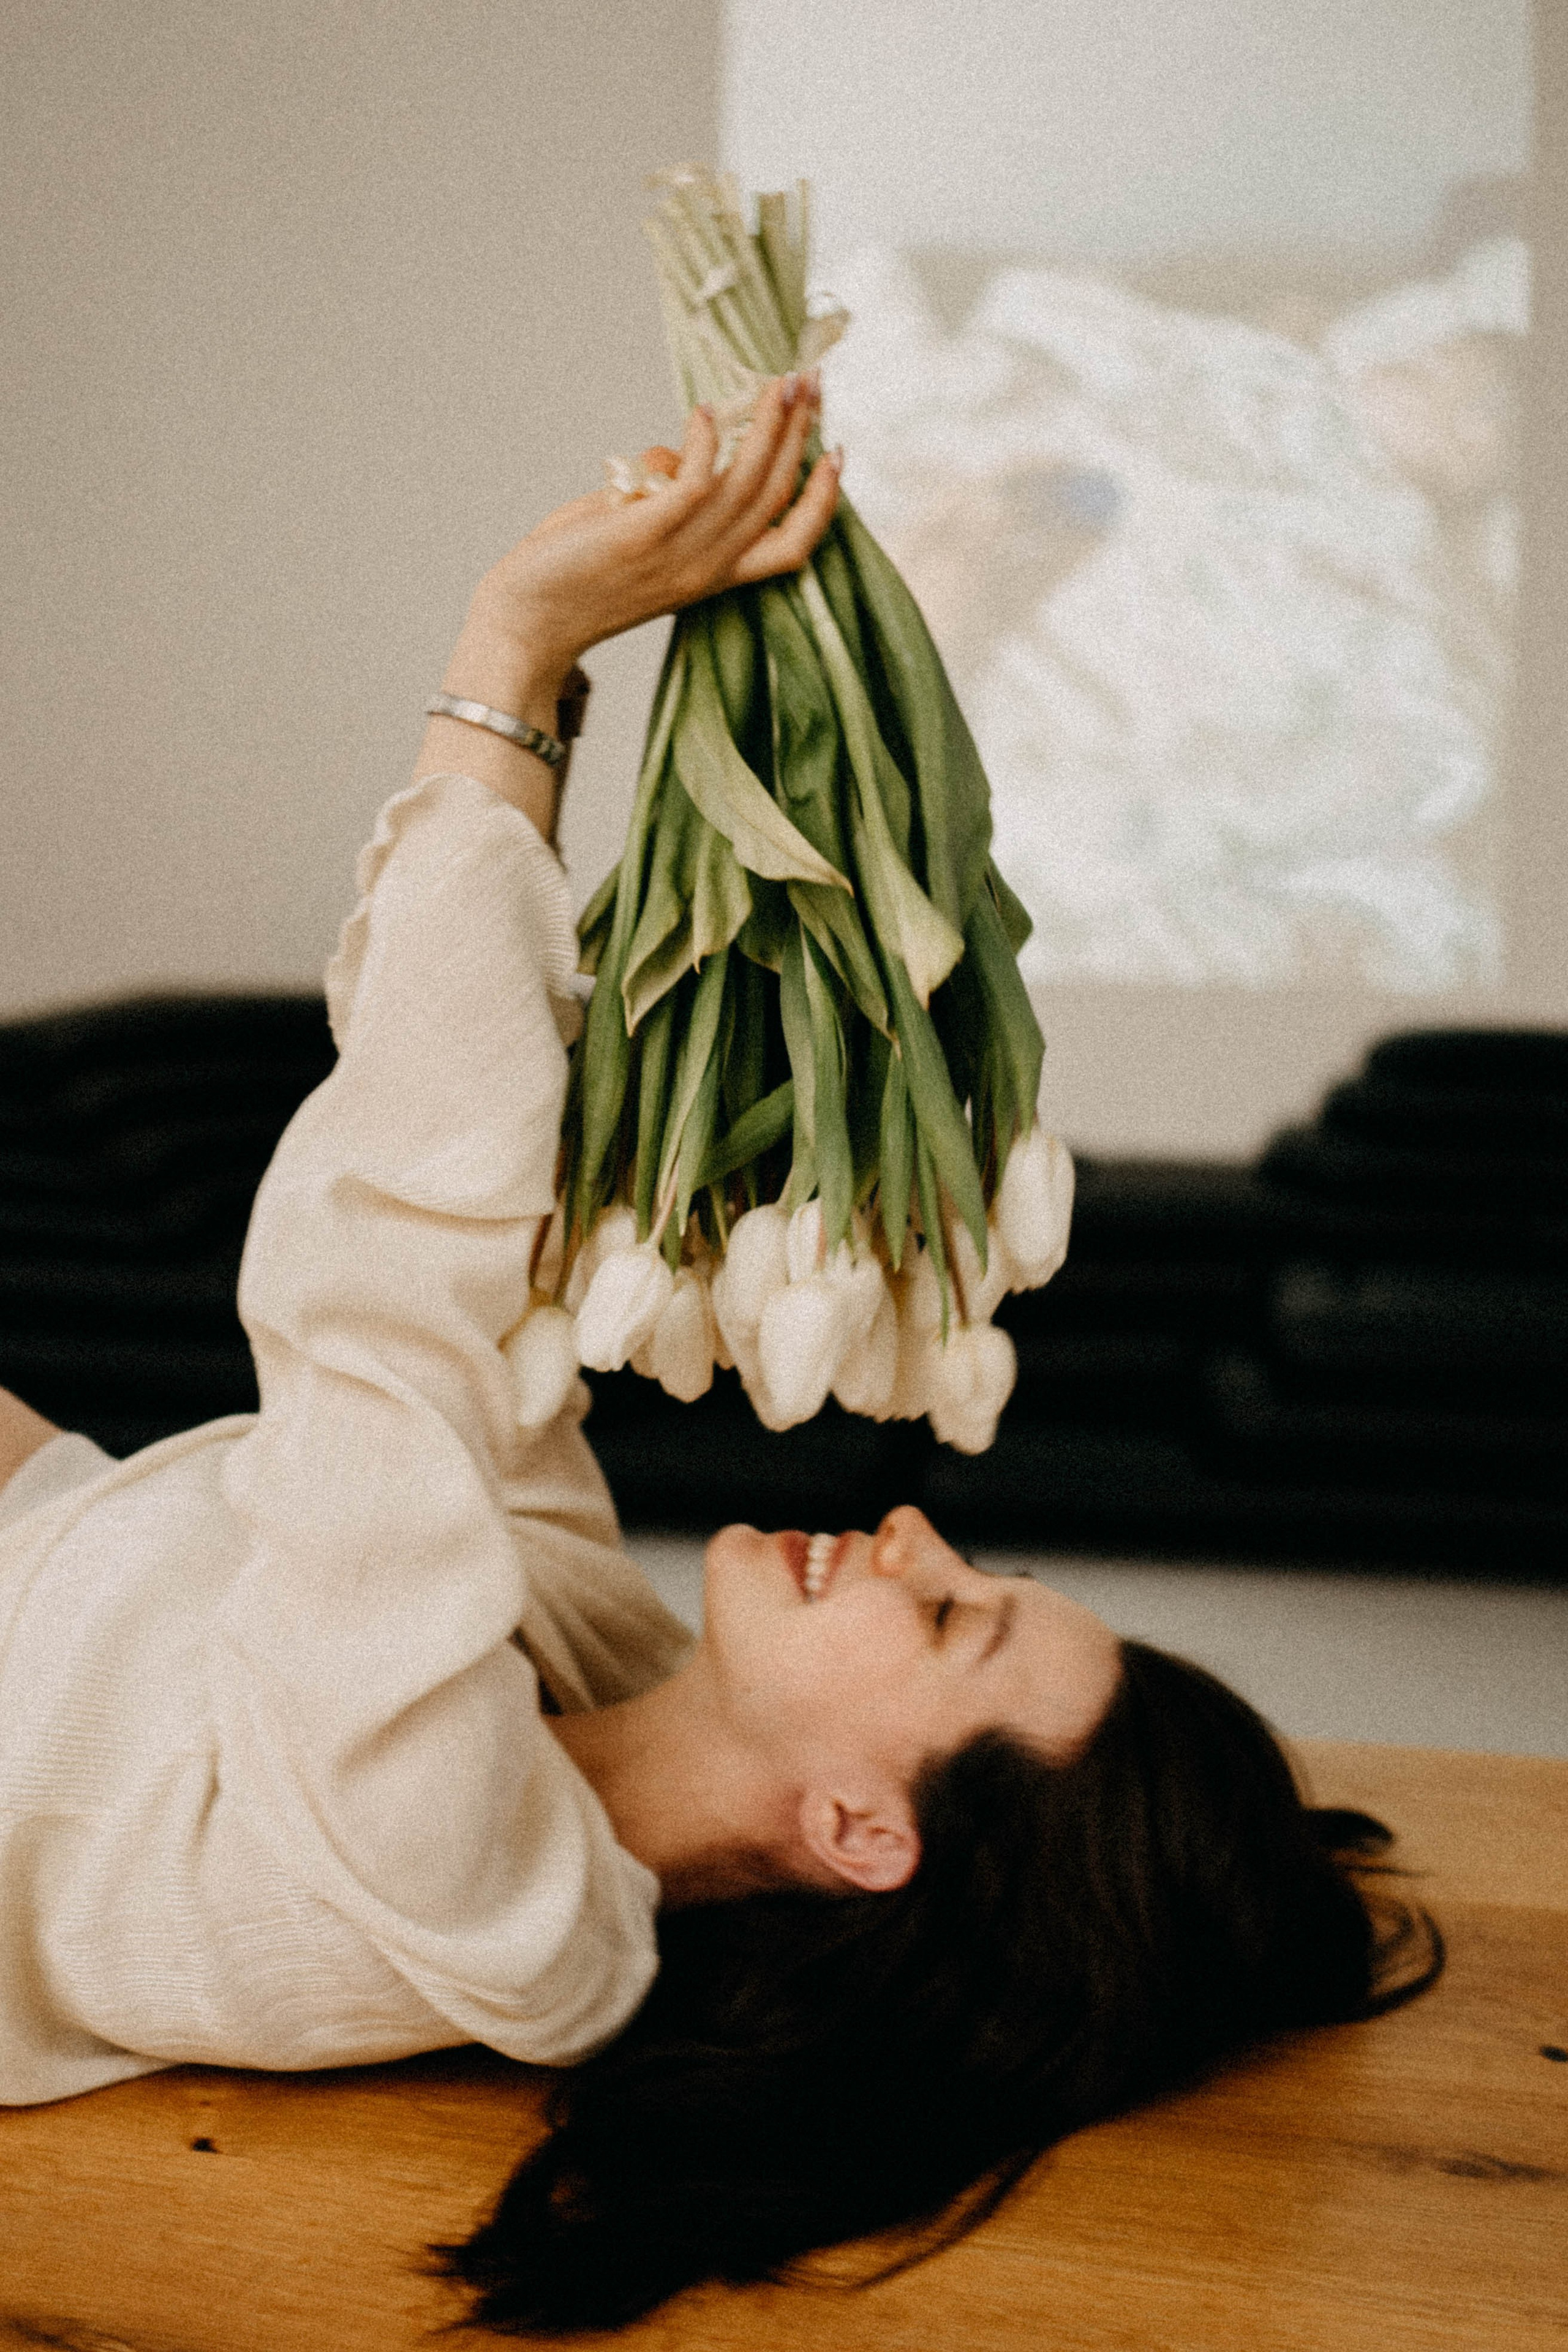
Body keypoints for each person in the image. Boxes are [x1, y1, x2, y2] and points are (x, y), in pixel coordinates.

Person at [0, 374, 1439, 2333]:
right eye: (972, 1577)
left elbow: (383, 1289)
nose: (923, 1532)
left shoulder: (465, 1874)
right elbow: (473, 1273)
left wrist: (514, 650)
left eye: (949, 1624)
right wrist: (613, 681)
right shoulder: (575, 1655)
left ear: (865, 1833)